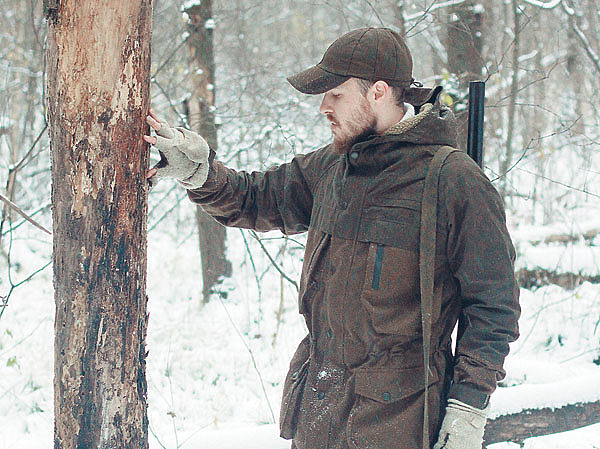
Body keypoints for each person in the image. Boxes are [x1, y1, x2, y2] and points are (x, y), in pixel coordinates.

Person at [143, 27, 520, 449]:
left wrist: (469, 405)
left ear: (377, 91)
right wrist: (199, 171)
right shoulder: (333, 167)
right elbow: (255, 197)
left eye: (335, 94)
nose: (323, 107)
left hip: (400, 425)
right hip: (319, 414)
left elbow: (494, 306)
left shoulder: (452, 181)